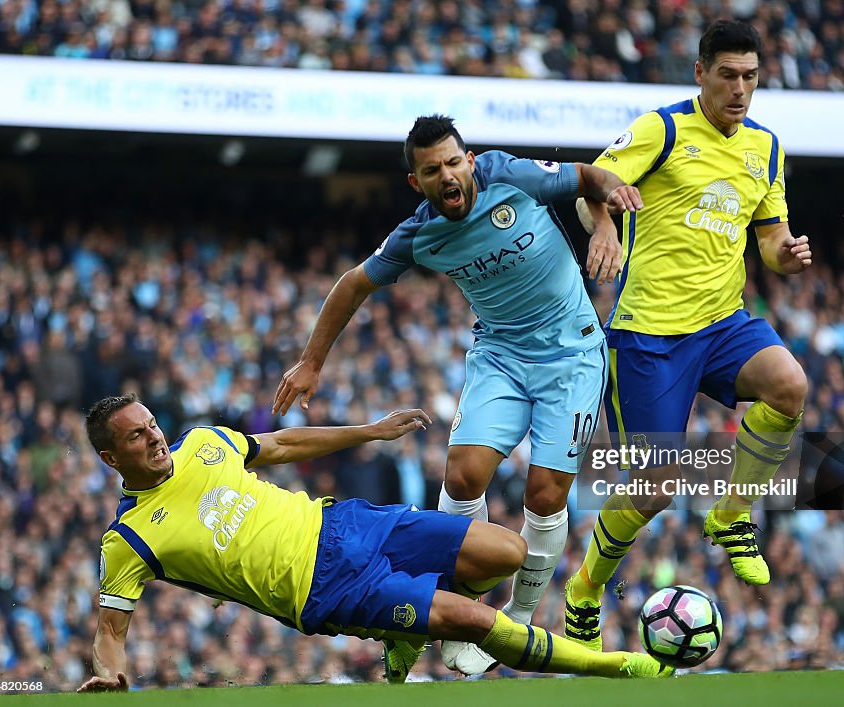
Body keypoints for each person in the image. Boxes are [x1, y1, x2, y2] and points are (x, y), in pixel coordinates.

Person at [272, 115, 643, 674]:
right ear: (415, 183)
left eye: (452, 162)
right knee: (461, 478)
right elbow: (353, 284)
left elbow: (591, 177)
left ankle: (517, 618)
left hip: (571, 354)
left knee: (544, 494)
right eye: (430, 170)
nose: (446, 176)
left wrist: (606, 227)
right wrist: (311, 361)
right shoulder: (417, 234)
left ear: (469, 161)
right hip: (500, 355)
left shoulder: (510, 174)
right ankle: (458, 602)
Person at [77, 394, 673, 692]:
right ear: (111, 457)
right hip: (324, 589)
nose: (154, 437)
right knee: (470, 618)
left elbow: (282, 444)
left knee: (509, 553)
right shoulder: (126, 539)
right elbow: (111, 631)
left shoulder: (204, 443)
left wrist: (369, 430)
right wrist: (110, 677)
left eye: (151, 423)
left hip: (344, 523)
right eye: (136, 437)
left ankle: (403, 634)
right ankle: (616, 668)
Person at [564, 19, 813, 651]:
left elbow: (769, 242)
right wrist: (605, 228)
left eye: (750, 77)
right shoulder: (663, 129)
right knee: (654, 486)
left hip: (723, 321)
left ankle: (731, 517)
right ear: (699, 73)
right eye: (727, 75)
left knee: (789, 386)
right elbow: (589, 183)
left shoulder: (766, 148)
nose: (739, 88)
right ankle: (586, 587)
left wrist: (789, 255)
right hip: (650, 332)